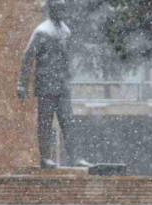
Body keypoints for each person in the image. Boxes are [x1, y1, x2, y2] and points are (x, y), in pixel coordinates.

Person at [17, 0, 91, 169]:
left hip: (62, 86)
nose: (62, 11)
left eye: (63, 8)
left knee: (68, 122)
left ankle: (75, 157)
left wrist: (68, 76)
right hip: (46, 86)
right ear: (52, 9)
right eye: (59, 8)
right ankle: (45, 158)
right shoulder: (42, 31)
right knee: (45, 123)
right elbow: (28, 58)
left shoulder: (66, 30)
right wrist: (22, 84)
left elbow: (66, 59)